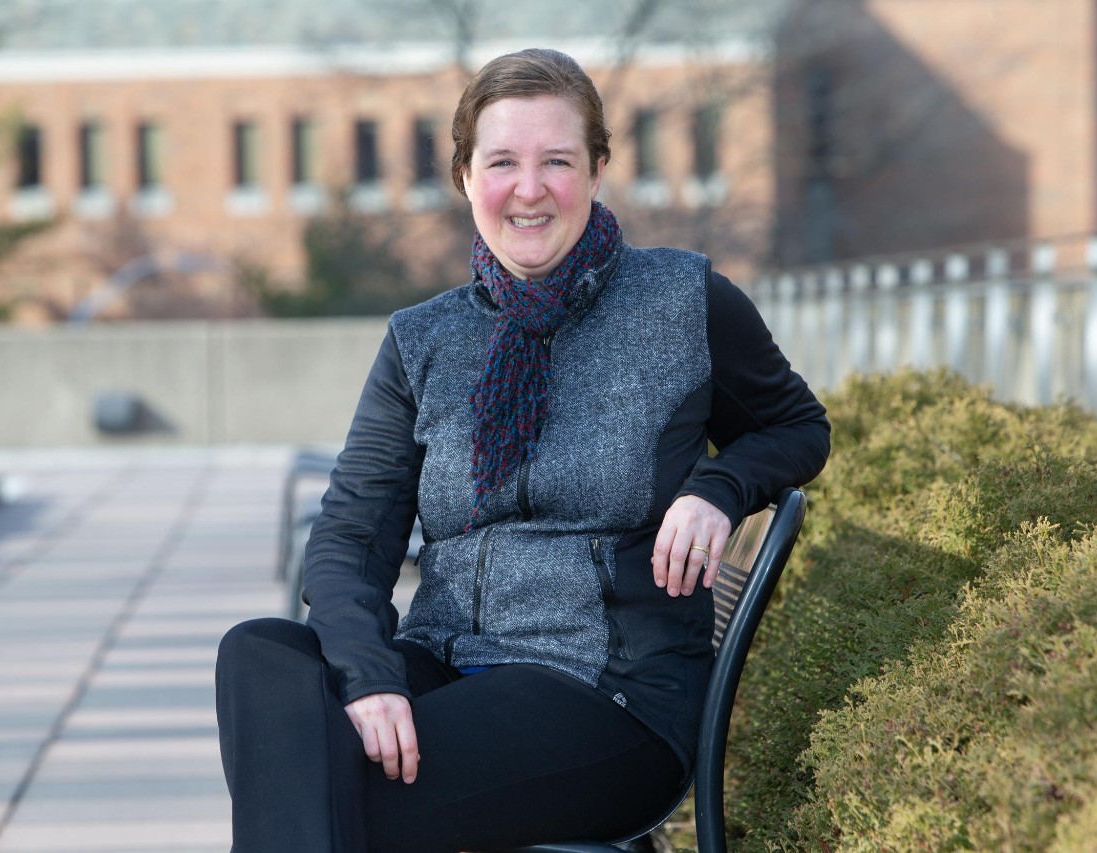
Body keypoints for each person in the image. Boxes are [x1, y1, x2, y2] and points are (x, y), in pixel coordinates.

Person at [215, 47, 830, 852]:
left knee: (319, 781)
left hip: (607, 694)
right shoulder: (422, 339)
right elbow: (351, 535)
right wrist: (370, 678)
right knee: (260, 653)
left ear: (599, 169)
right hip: (442, 659)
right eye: (503, 161)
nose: (530, 188)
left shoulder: (684, 302)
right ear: (467, 176)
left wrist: (718, 486)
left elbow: (797, 426)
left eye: (558, 161)